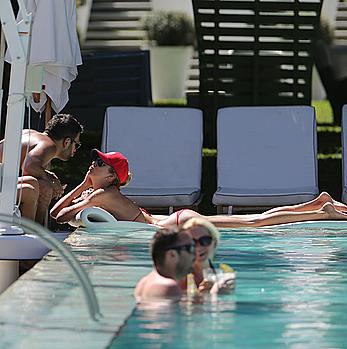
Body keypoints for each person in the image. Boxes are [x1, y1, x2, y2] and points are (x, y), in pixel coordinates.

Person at [50, 149, 347, 228]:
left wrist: (82, 187)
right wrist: (84, 184)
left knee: (256, 221)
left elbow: (57, 216)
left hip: (178, 223)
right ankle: (316, 205)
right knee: (254, 220)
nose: (92, 167)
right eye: (94, 164)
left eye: (98, 165)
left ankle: (321, 212)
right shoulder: (103, 192)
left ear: (112, 176)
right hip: (176, 221)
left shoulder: (102, 194)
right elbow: (58, 215)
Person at [0, 114, 83, 224]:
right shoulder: (50, 146)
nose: (75, 150)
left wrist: (50, 176)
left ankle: (34, 232)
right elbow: (28, 167)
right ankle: (37, 233)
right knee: (44, 187)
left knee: (35, 183)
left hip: (3, 180)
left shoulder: (31, 134)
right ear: (66, 142)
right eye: (76, 144)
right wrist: (51, 182)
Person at [134, 228, 195, 301]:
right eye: (190, 248)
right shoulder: (169, 287)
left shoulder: (144, 282)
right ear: (172, 254)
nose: (195, 254)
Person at [179, 218, 235, 295]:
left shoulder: (225, 272)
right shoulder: (177, 273)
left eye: (205, 240)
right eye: (192, 242)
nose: (198, 247)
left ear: (214, 243)